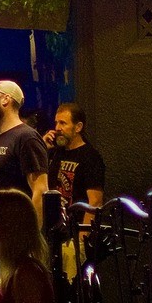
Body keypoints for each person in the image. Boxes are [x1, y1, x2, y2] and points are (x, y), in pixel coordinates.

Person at [0, 81, 48, 207]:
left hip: (17, 220)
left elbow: (40, 190)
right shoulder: (3, 137)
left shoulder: (26, 137)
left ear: (5, 99)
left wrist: (35, 221)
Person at [45, 103, 106, 248]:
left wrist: (81, 240)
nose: (57, 128)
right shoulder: (56, 153)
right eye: (56, 123)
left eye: (63, 123)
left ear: (78, 127)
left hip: (74, 234)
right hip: (54, 232)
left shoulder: (90, 157)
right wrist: (42, 147)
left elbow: (95, 202)